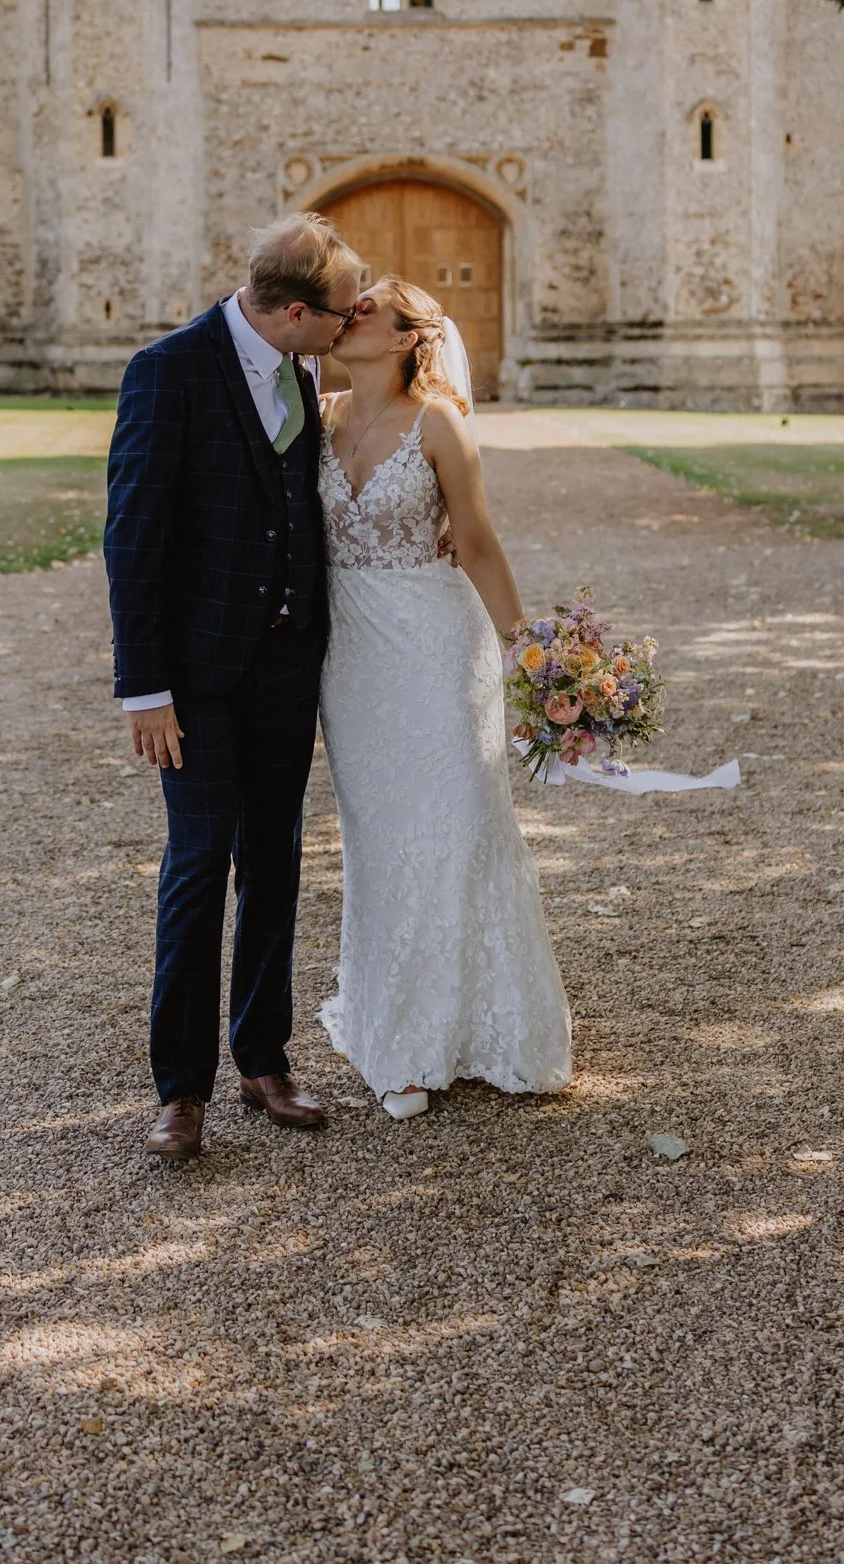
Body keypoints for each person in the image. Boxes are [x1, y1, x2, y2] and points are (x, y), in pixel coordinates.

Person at [104, 212, 364, 1162]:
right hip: (199, 680)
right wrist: (147, 690)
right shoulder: (167, 370)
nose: (348, 328)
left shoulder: (300, 370)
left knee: (278, 862)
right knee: (197, 868)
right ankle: (181, 1089)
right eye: (340, 314)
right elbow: (132, 538)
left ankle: (264, 1058)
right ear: (296, 310)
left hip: (286, 674)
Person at [317, 277, 571, 1117]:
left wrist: (533, 657)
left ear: (402, 338)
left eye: (362, 310)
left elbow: (481, 545)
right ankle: (397, 1026)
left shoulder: (439, 425)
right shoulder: (315, 417)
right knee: (381, 840)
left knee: (461, 824)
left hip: (437, 644)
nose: (344, 315)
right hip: (352, 661)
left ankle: (468, 1030)